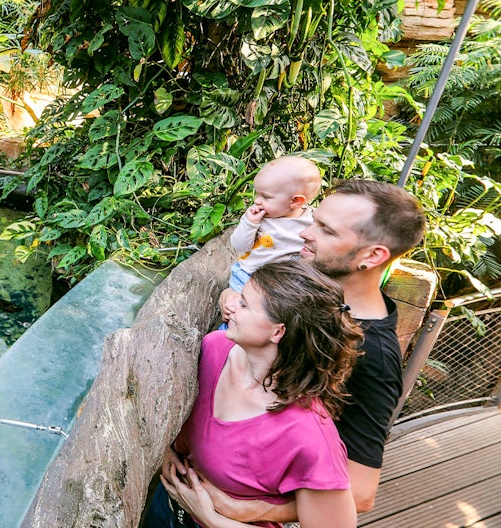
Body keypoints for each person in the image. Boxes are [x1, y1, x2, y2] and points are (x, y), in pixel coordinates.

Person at [207, 179, 427, 521]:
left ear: (372, 256)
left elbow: (361, 491)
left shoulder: (372, 357)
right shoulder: (310, 278)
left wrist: (252, 509)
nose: (306, 233)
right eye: (314, 219)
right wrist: (232, 299)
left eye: (326, 230)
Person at [144, 260, 364, 528]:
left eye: (244, 304)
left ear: (277, 332)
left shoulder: (310, 437)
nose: (231, 304)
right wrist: (164, 449)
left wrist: (212, 520)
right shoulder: (213, 348)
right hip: (164, 508)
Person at [217, 156, 321, 329]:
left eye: (265, 196)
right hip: (246, 276)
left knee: (265, 320)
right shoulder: (257, 217)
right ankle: (225, 337)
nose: (257, 200)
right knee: (237, 316)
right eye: (257, 193)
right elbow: (239, 246)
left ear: (296, 201)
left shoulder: (310, 222)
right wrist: (250, 223)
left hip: (279, 286)